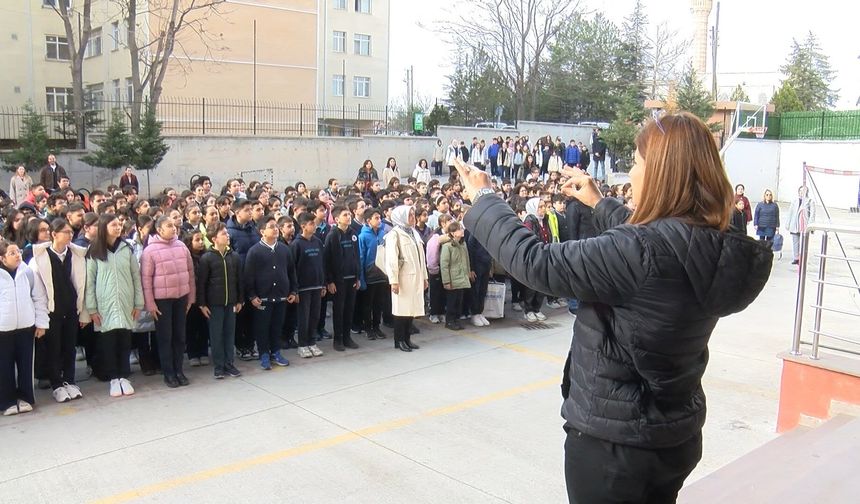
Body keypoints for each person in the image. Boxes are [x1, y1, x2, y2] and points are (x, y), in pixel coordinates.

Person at [454, 111, 772, 503]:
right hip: (674, 436)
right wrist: (599, 202)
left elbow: (536, 261)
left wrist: (485, 199)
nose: (632, 173)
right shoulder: (716, 242)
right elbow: (662, 243)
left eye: (637, 163)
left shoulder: (640, 252)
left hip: (616, 448)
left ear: (660, 174)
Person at [29, 219, 89, 403]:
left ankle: (69, 381)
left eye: (71, 232)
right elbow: (37, 292)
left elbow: (82, 286)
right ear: (54, 234)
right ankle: (57, 384)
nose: (70, 235)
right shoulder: (40, 258)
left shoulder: (76, 255)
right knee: (53, 349)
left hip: (71, 308)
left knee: (70, 347)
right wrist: (41, 319)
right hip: (51, 311)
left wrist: (83, 312)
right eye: (65, 232)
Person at [85, 214, 145, 398]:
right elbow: (90, 282)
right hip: (105, 304)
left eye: (119, 225)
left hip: (126, 303)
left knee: (125, 340)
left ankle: (124, 376)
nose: (118, 228)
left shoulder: (126, 248)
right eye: (113, 225)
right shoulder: (94, 250)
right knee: (108, 342)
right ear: (104, 227)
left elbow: (136, 276)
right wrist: (92, 309)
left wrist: (138, 303)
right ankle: (113, 378)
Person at [140, 216, 196, 388]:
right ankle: (168, 373)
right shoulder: (150, 251)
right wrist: (150, 304)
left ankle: (179, 370)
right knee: (165, 337)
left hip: (181, 298)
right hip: (162, 301)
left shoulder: (181, 246)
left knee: (179, 336)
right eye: (169, 225)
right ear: (159, 229)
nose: (173, 228)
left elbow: (190, 273)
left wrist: (191, 298)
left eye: (174, 225)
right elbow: (146, 280)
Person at [0, 239, 49, 416]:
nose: (17, 255)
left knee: (26, 365)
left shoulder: (27, 272)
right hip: (3, 330)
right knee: (4, 367)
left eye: (18, 252)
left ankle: (26, 398)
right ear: (2, 258)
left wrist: (41, 323)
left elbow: (39, 298)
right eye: (12, 253)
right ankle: (7, 402)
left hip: (26, 328)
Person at [244, 215, 297, 370]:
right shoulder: (255, 251)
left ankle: (276, 352)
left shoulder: (284, 249)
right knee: (262, 327)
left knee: (277, 326)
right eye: (271, 227)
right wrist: (252, 295)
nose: (275, 229)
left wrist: (293, 290)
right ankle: (264, 354)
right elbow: (249, 276)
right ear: (262, 231)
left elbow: (291, 272)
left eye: (276, 227)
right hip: (263, 298)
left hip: (281, 296)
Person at [197, 223, 243, 379]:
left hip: (231, 302)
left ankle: (229, 363)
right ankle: (219, 366)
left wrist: (240, 300)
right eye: (223, 234)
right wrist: (202, 304)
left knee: (229, 334)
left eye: (227, 233)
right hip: (214, 304)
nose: (227, 236)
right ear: (214, 239)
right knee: (216, 335)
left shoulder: (234, 256)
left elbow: (239, 280)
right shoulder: (207, 258)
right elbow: (202, 283)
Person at [383, 205, 427, 352]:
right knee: (401, 311)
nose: (413, 218)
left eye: (413, 215)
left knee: (411, 310)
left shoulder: (413, 232)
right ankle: (399, 340)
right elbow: (391, 260)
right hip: (403, 278)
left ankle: (407, 338)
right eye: (410, 215)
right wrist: (394, 281)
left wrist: (425, 277)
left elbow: (421, 257)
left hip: (416, 277)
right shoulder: (394, 234)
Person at [323, 206, 361, 352]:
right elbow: (327, 260)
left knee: (349, 309)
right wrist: (330, 281)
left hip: (352, 278)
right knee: (339, 310)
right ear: (337, 219)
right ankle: (338, 339)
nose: (348, 217)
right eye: (345, 215)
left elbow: (357, 256)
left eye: (349, 214)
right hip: (339, 280)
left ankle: (347, 337)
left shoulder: (353, 234)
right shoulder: (332, 235)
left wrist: (357, 277)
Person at [291, 212, 327, 359]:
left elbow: (322, 264)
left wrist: (323, 284)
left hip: (317, 286)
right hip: (303, 288)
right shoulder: (296, 244)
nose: (314, 226)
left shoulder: (317, 242)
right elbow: (292, 269)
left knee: (314, 316)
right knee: (304, 317)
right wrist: (295, 290)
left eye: (314, 223)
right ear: (303, 226)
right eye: (311, 224)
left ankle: (312, 342)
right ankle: (302, 345)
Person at [358, 208, 389, 340]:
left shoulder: (383, 234)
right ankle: (368, 328)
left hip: (382, 273)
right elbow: (361, 257)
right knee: (368, 304)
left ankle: (377, 327)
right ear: (368, 221)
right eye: (376, 218)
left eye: (379, 217)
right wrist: (361, 278)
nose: (379, 220)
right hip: (369, 274)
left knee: (379, 303)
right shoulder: (363, 236)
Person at [440, 221, 470, 331]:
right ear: (452, 233)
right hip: (453, 278)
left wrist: (468, 272)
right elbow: (444, 265)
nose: (462, 231)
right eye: (459, 229)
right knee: (452, 302)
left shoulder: (463, 245)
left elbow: (466, 260)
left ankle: (457, 320)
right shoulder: (447, 246)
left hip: (462, 277)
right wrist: (446, 281)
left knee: (459, 301)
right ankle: (450, 321)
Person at [786, 185, 816, 265]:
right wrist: (788, 224)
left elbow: (812, 215)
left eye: (803, 191)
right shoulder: (795, 201)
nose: (801, 192)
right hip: (795, 225)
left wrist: (811, 226)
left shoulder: (810, 202)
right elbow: (790, 213)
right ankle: (796, 258)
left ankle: (802, 258)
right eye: (800, 191)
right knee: (795, 242)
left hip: (804, 226)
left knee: (803, 243)